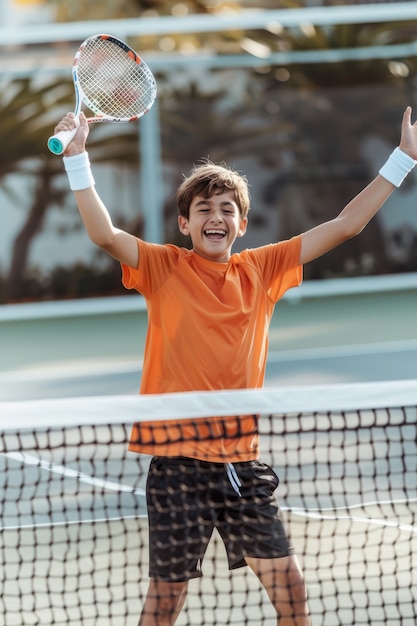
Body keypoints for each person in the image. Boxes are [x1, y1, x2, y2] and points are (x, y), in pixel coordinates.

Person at [53, 107, 417, 626]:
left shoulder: (264, 269)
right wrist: (78, 160)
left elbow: (346, 226)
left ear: (242, 224)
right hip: (176, 463)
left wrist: (403, 159)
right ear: (185, 223)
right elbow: (105, 235)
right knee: (164, 602)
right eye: (203, 210)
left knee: (291, 589)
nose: (215, 218)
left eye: (227, 209)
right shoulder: (162, 267)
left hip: (239, 462)